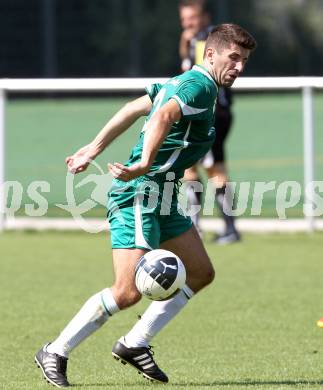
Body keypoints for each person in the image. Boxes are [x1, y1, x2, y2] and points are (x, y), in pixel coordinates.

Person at [35, 24, 256, 387]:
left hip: (163, 195)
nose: (240, 67)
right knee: (127, 291)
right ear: (211, 54)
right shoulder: (198, 86)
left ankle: (135, 343)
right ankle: (55, 351)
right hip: (141, 193)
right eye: (234, 58)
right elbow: (163, 117)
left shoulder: (189, 82)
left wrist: (94, 147)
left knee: (200, 272)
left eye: (244, 60)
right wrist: (143, 164)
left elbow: (133, 108)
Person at [179, 0, 239, 244]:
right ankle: (197, 228)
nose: (187, 24)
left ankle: (230, 229)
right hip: (205, 113)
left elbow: (206, 77)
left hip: (211, 113)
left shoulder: (208, 40)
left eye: (191, 18)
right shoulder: (193, 39)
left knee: (214, 169)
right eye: (184, 20)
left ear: (204, 17)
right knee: (190, 167)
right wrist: (184, 43)